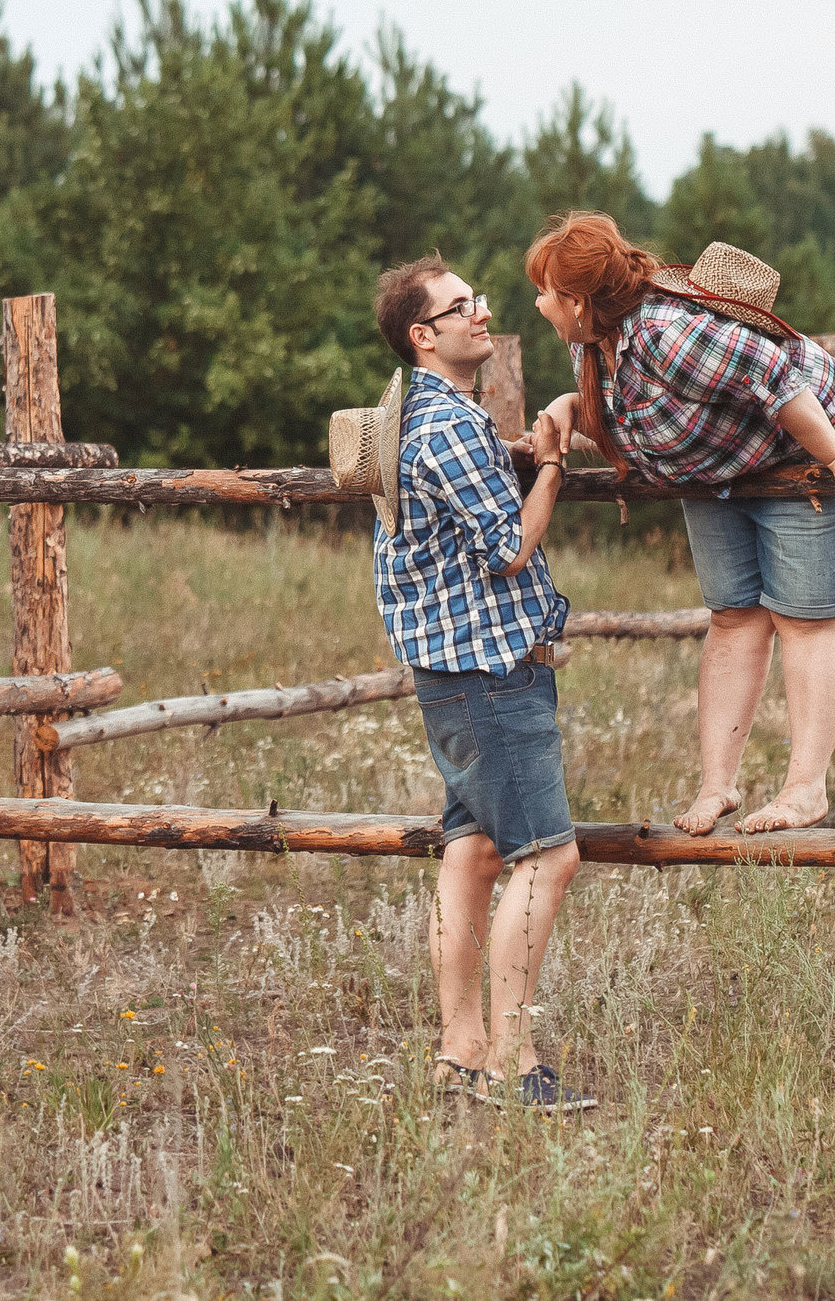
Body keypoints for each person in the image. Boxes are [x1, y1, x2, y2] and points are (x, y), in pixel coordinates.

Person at [524, 215, 835, 837]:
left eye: (544, 292)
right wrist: (572, 407)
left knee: (806, 617)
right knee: (733, 615)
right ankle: (717, 787)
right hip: (715, 464)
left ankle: (805, 789)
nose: (538, 304)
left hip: (804, 439)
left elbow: (777, 376)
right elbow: (643, 413)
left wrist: (834, 455)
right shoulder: (592, 342)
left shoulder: (668, 333)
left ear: (578, 300)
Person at [338, 254, 595, 1112]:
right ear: (424, 334)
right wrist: (551, 465)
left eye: (476, 301)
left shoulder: (413, 412)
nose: (480, 314)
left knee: (473, 850)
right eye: (460, 307)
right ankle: (516, 1063)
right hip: (488, 669)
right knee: (549, 857)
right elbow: (509, 547)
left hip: (449, 672)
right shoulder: (446, 424)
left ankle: (459, 1050)